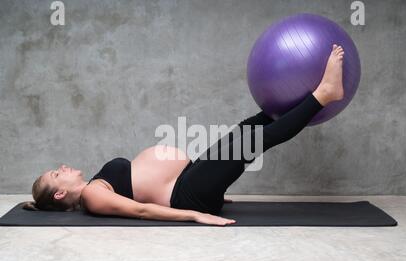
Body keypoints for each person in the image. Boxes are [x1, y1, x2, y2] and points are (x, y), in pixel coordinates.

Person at [23, 45, 345, 226]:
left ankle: (306, 97)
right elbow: (142, 210)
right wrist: (195, 214)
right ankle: (324, 94)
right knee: (256, 140)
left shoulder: (97, 183)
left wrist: (213, 188)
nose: (62, 166)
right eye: (56, 173)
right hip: (186, 194)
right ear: (60, 194)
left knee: (249, 128)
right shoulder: (92, 195)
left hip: (191, 180)